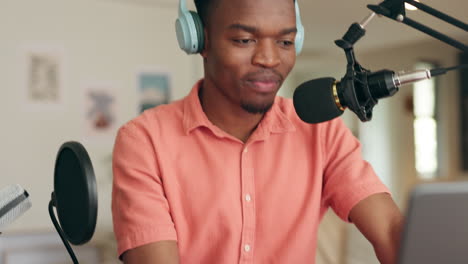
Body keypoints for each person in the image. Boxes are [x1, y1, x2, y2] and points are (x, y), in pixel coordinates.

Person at [111, 0, 404, 263]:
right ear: (199, 39)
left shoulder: (322, 131)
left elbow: (390, 230)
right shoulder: (144, 141)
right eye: (244, 40)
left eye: (286, 42)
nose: (269, 59)